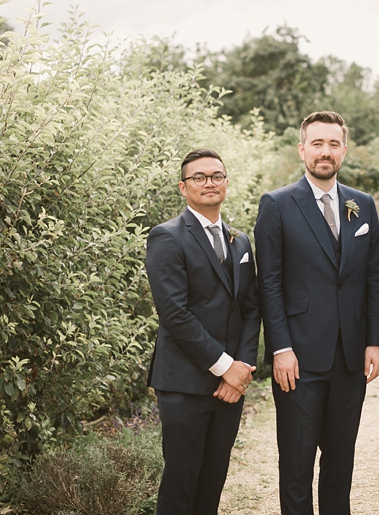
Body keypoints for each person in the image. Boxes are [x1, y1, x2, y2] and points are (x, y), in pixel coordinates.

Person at [254, 111, 379, 515]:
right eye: (317, 143)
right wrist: (280, 348)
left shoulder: (362, 205)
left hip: (349, 359)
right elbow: (269, 283)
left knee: (340, 462)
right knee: (296, 464)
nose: (325, 152)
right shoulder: (277, 204)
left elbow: (373, 280)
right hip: (299, 358)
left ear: (343, 150)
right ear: (302, 149)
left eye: (333, 144)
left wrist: (374, 341)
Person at [145, 149, 260, 515]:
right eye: (199, 177)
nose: (209, 183)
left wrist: (240, 368)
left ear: (226, 183)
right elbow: (174, 313)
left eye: (216, 176)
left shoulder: (239, 240)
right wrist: (224, 365)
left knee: (212, 483)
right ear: (183, 187)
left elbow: (250, 308)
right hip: (184, 384)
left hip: (229, 388)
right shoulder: (167, 237)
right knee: (182, 485)